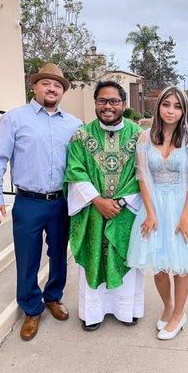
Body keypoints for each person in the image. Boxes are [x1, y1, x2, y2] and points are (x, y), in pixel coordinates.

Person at [127, 86, 188, 340]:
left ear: (184, 111)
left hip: (184, 205)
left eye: (177, 106)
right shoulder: (144, 138)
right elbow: (142, 177)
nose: (171, 111)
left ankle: (179, 315)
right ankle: (168, 307)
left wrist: (185, 217)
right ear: (158, 106)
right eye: (166, 104)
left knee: (180, 265)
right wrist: (150, 213)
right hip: (154, 205)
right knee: (159, 266)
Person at [0, 63, 81, 341]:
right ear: (34, 86)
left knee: (58, 254)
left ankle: (53, 296)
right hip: (28, 202)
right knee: (28, 257)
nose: (52, 88)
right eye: (46, 83)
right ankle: (32, 308)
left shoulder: (74, 124)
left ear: (62, 92)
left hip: (61, 201)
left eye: (58, 85)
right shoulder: (14, 118)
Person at [64, 81, 144, 331]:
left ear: (123, 104)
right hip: (92, 211)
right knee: (94, 255)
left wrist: (120, 201)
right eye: (102, 101)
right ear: (96, 103)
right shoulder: (81, 135)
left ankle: (126, 309)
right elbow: (75, 171)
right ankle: (93, 313)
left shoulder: (139, 136)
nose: (108, 106)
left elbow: (142, 173)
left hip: (126, 212)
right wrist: (98, 201)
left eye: (113, 101)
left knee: (127, 259)